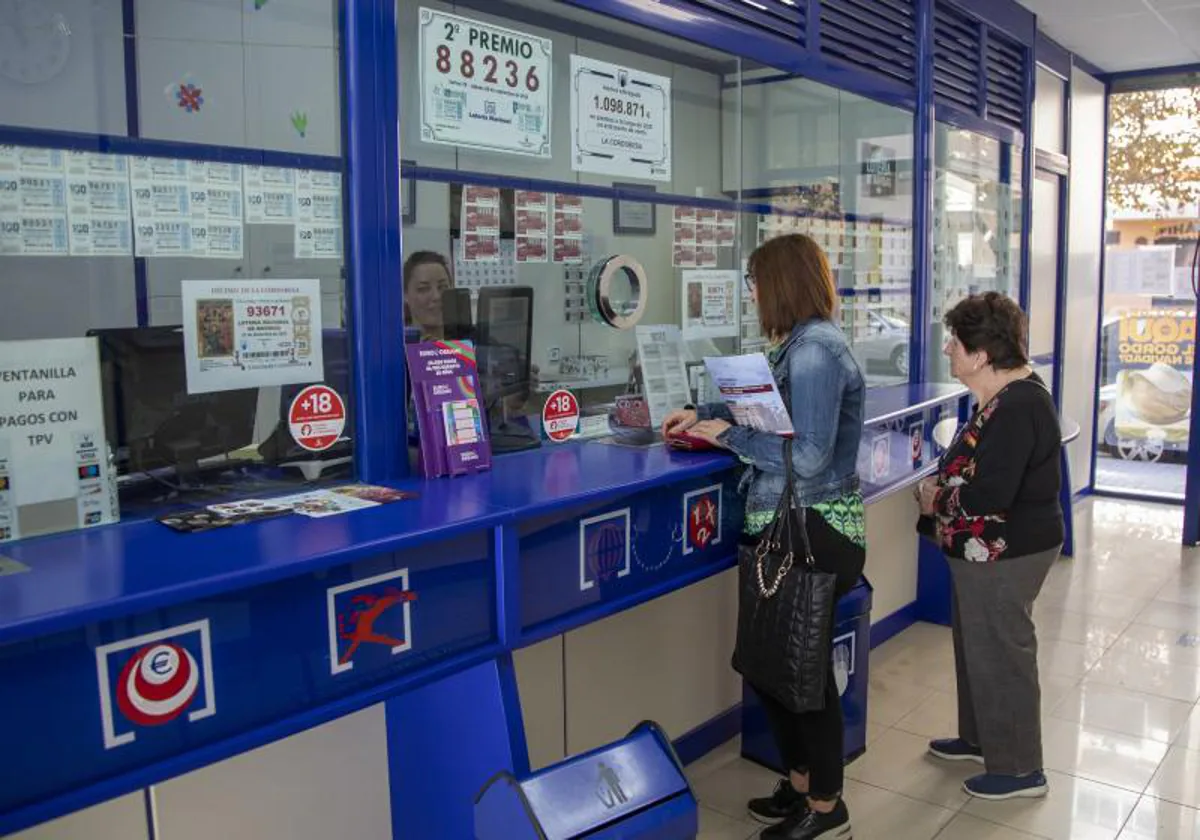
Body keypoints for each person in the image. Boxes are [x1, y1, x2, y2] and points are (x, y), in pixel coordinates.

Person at [663, 233, 865, 840]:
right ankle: (801, 788)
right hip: (780, 526)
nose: (750, 295)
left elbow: (805, 456)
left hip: (814, 528)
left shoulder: (817, 352)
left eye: (754, 282)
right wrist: (703, 413)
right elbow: (763, 414)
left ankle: (828, 812)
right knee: (774, 670)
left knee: (802, 677)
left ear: (779, 283)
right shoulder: (792, 346)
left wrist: (721, 435)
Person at [915, 292, 1063, 801]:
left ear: (980, 355)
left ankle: (1021, 768)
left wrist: (936, 497)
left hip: (1009, 552)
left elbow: (991, 494)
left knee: (1003, 653)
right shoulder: (998, 398)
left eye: (954, 343)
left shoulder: (1020, 405)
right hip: (984, 551)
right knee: (977, 648)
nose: (948, 351)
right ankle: (981, 739)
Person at [403, 251, 453, 340]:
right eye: (423, 289)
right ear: (405, 295)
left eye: (442, 287)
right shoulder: (394, 346)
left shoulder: (467, 343)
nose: (436, 296)